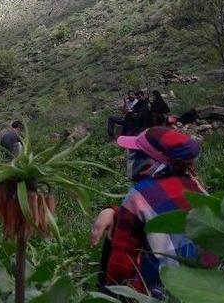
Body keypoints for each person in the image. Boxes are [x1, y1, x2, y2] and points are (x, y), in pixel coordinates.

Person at [90, 127, 211, 298]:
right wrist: (114, 211)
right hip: (205, 282)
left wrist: (112, 290)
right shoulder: (194, 184)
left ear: (152, 160)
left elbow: (122, 260)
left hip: (158, 290)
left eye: (137, 153)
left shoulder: (138, 196)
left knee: (118, 239)